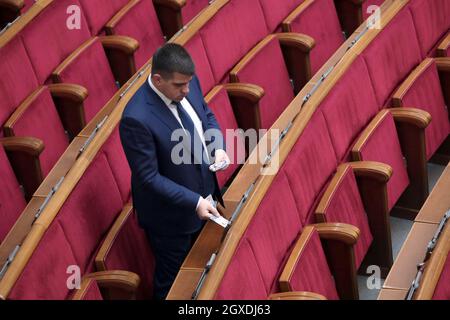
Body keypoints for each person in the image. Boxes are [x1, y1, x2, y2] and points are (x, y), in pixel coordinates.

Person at [119, 43, 230, 300]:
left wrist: (218, 146)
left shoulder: (185, 80)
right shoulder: (136, 118)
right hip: (171, 219)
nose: (187, 90)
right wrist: (194, 202)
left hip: (206, 196)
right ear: (158, 79)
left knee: (206, 271)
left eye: (188, 83)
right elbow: (148, 177)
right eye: (179, 86)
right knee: (172, 284)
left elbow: (206, 115)